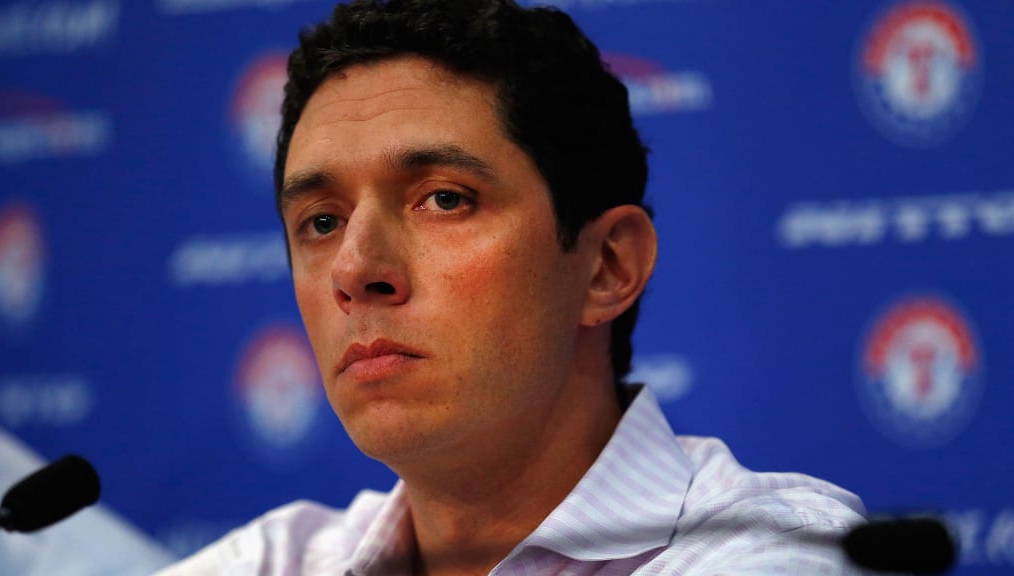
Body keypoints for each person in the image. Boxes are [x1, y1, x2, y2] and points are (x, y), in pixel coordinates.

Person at [157, 1, 871, 574]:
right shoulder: (274, 561)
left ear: (606, 267)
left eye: (443, 199)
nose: (353, 269)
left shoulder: (777, 553)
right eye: (320, 220)